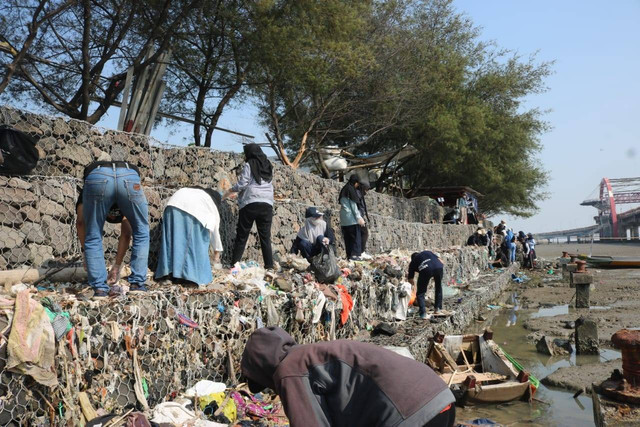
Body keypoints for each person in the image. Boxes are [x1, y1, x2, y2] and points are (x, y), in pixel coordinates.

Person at [241, 326, 456, 427]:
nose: (273, 391)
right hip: (438, 397)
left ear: (262, 369)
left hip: (409, 414)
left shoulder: (288, 370)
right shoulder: (311, 354)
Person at [81, 161, 149, 298]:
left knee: (93, 234)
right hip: (129, 175)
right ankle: (137, 285)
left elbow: (80, 223)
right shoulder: (126, 200)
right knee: (141, 231)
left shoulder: (87, 190)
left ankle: (100, 290)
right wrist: (117, 265)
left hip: (96, 177)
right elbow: (128, 232)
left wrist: (87, 254)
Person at [155, 187, 223, 286]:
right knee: (193, 243)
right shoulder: (211, 204)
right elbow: (215, 234)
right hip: (191, 209)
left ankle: (167, 274)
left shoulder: (195, 192)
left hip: (172, 204)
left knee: (172, 240)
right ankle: (189, 278)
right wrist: (217, 255)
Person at [223, 144, 274, 269]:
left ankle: (234, 265)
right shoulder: (268, 165)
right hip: (267, 204)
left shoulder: (250, 164)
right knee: (265, 237)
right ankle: (269, 266)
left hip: (251, 203)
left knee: (242, 235)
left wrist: (231, 190)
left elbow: (243, 183)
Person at [76, 189, 131, 285]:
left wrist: (117, 266)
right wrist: (87, 253)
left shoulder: (125, 193)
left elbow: (126, 233)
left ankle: (101, 286)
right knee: (85, 223)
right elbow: (80, 223)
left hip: (114, 185)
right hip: (96, 186)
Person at [407, 251, 444, 318]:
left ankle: (423, 313)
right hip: (439, 267)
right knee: (438, 288)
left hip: (426, 269)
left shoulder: (413, 262)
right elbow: (441, 261)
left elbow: (410, 280)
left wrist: (413, 289)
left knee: (420, 293)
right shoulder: (427, 252)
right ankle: (438, 309)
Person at [339, 175, 365, 260]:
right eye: (357, 183)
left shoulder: (344, 189)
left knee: (348, 239)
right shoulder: (351, 190)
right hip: (351, 220)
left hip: (344, 220)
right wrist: (359, 218)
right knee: (355, 238)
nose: (357, 185)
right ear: (355, 182)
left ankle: (349, 255)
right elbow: (353, 206)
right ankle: (355, 256)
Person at [356, 182, 371, 257]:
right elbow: (357, 207)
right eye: (366, 190)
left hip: (359, 217)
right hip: (358, 218)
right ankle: (361, 252)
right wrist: (359, 217)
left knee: (362, 234)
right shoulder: (358, 194)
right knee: (365, 233)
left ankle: (361, 251)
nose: (366, 192)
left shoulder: (360, 194)